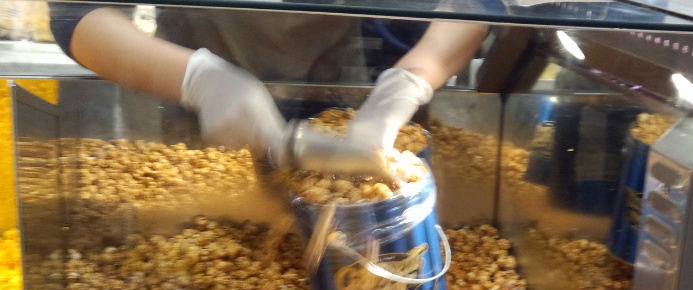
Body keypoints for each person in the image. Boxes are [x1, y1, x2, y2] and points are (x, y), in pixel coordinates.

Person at [50, 4, 489, 173]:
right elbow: (76, 15)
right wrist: (200, 80)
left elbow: (475, 4)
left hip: (340, 100)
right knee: (209, 234)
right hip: (202, 126)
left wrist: (409, 79)